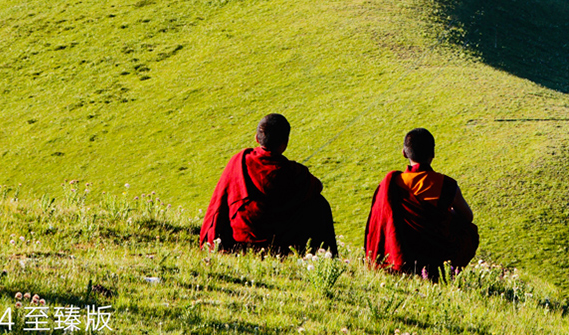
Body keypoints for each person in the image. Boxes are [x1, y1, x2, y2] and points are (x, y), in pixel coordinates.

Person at [200, 113, 337, 255]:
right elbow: (317, 186)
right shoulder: (292, 172)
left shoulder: (239, 160)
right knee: (319, 204)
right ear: (285, 143)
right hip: (278, 245)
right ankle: (323, 255)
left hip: (237, 240)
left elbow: (220, 201)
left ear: (256, 138)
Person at [364, 128, 478, 280]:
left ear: (404, 153)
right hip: (435, 257)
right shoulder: (446, 184)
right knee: (469, 231)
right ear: (433, 154)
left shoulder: (392, 184)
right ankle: (447, 274)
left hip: (401, 253)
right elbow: (467, 217)